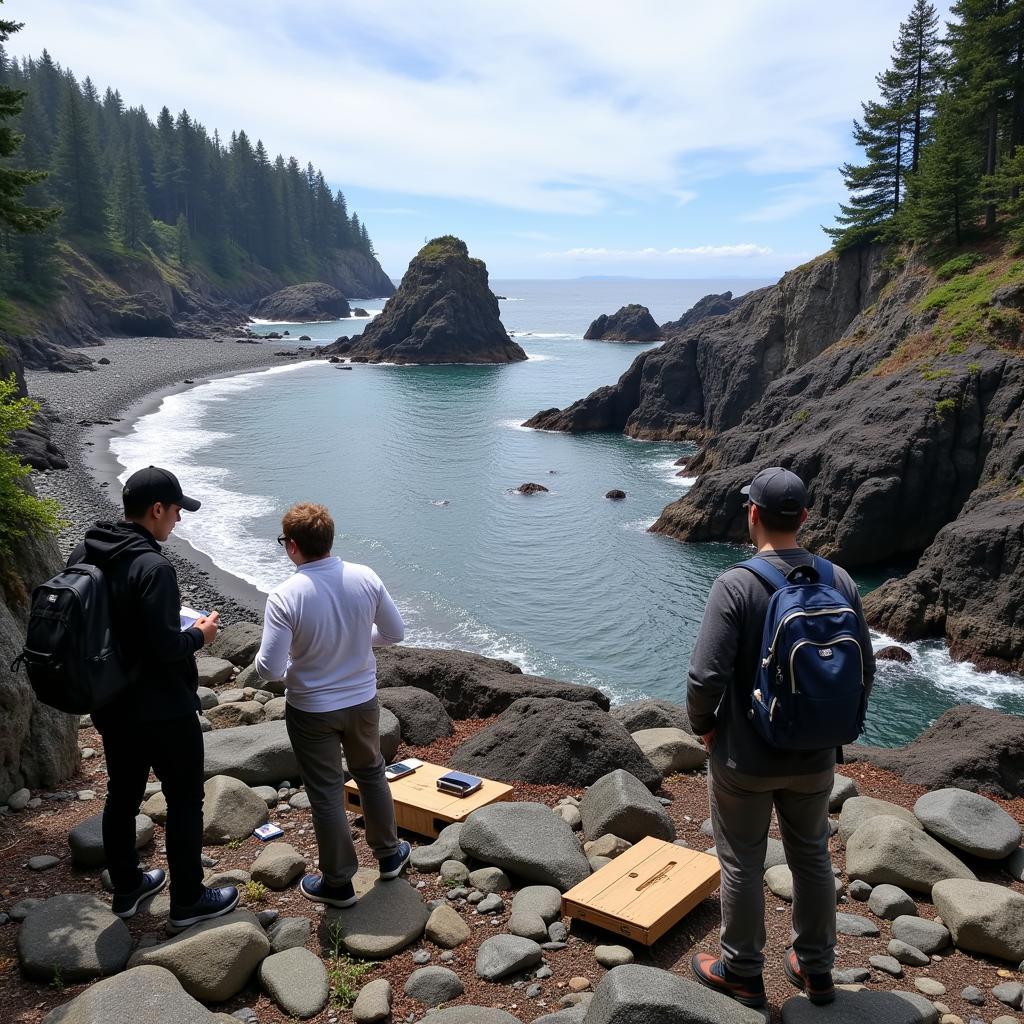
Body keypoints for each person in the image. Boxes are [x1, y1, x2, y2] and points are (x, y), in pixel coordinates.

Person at [688, 467, 875, 1008]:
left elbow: (705, 677)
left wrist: (704, 727)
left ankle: (743, 971)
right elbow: (864, 670)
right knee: (812, 855)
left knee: (742, 861)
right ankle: (816, 969)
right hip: (816, 754)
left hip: (746, 759)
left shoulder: (737, 584)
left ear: (753, 515)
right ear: (806, 517)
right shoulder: (838, 580)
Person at [71, 466, 239, 930]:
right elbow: (165, 648)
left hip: (110, 700)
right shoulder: (154, 567)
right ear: (157, 509)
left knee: (121, 796)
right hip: (164, 708)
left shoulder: (86, 549)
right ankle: (188, 899)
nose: (179, 521)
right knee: (185, 800)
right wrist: (200, 636)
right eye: (176, 511)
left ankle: (127, 888)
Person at [255, 502, 409, 908]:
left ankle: (339, 882)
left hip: (312, 709)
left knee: (325, 793)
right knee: (371, 773)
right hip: (361, 700)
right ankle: (389, 854)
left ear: (291, 546)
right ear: (330, 538)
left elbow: (270, 669)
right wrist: (358, 642)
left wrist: (292, 664)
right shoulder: (365, 577)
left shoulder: (285, 596)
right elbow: (395, 633)